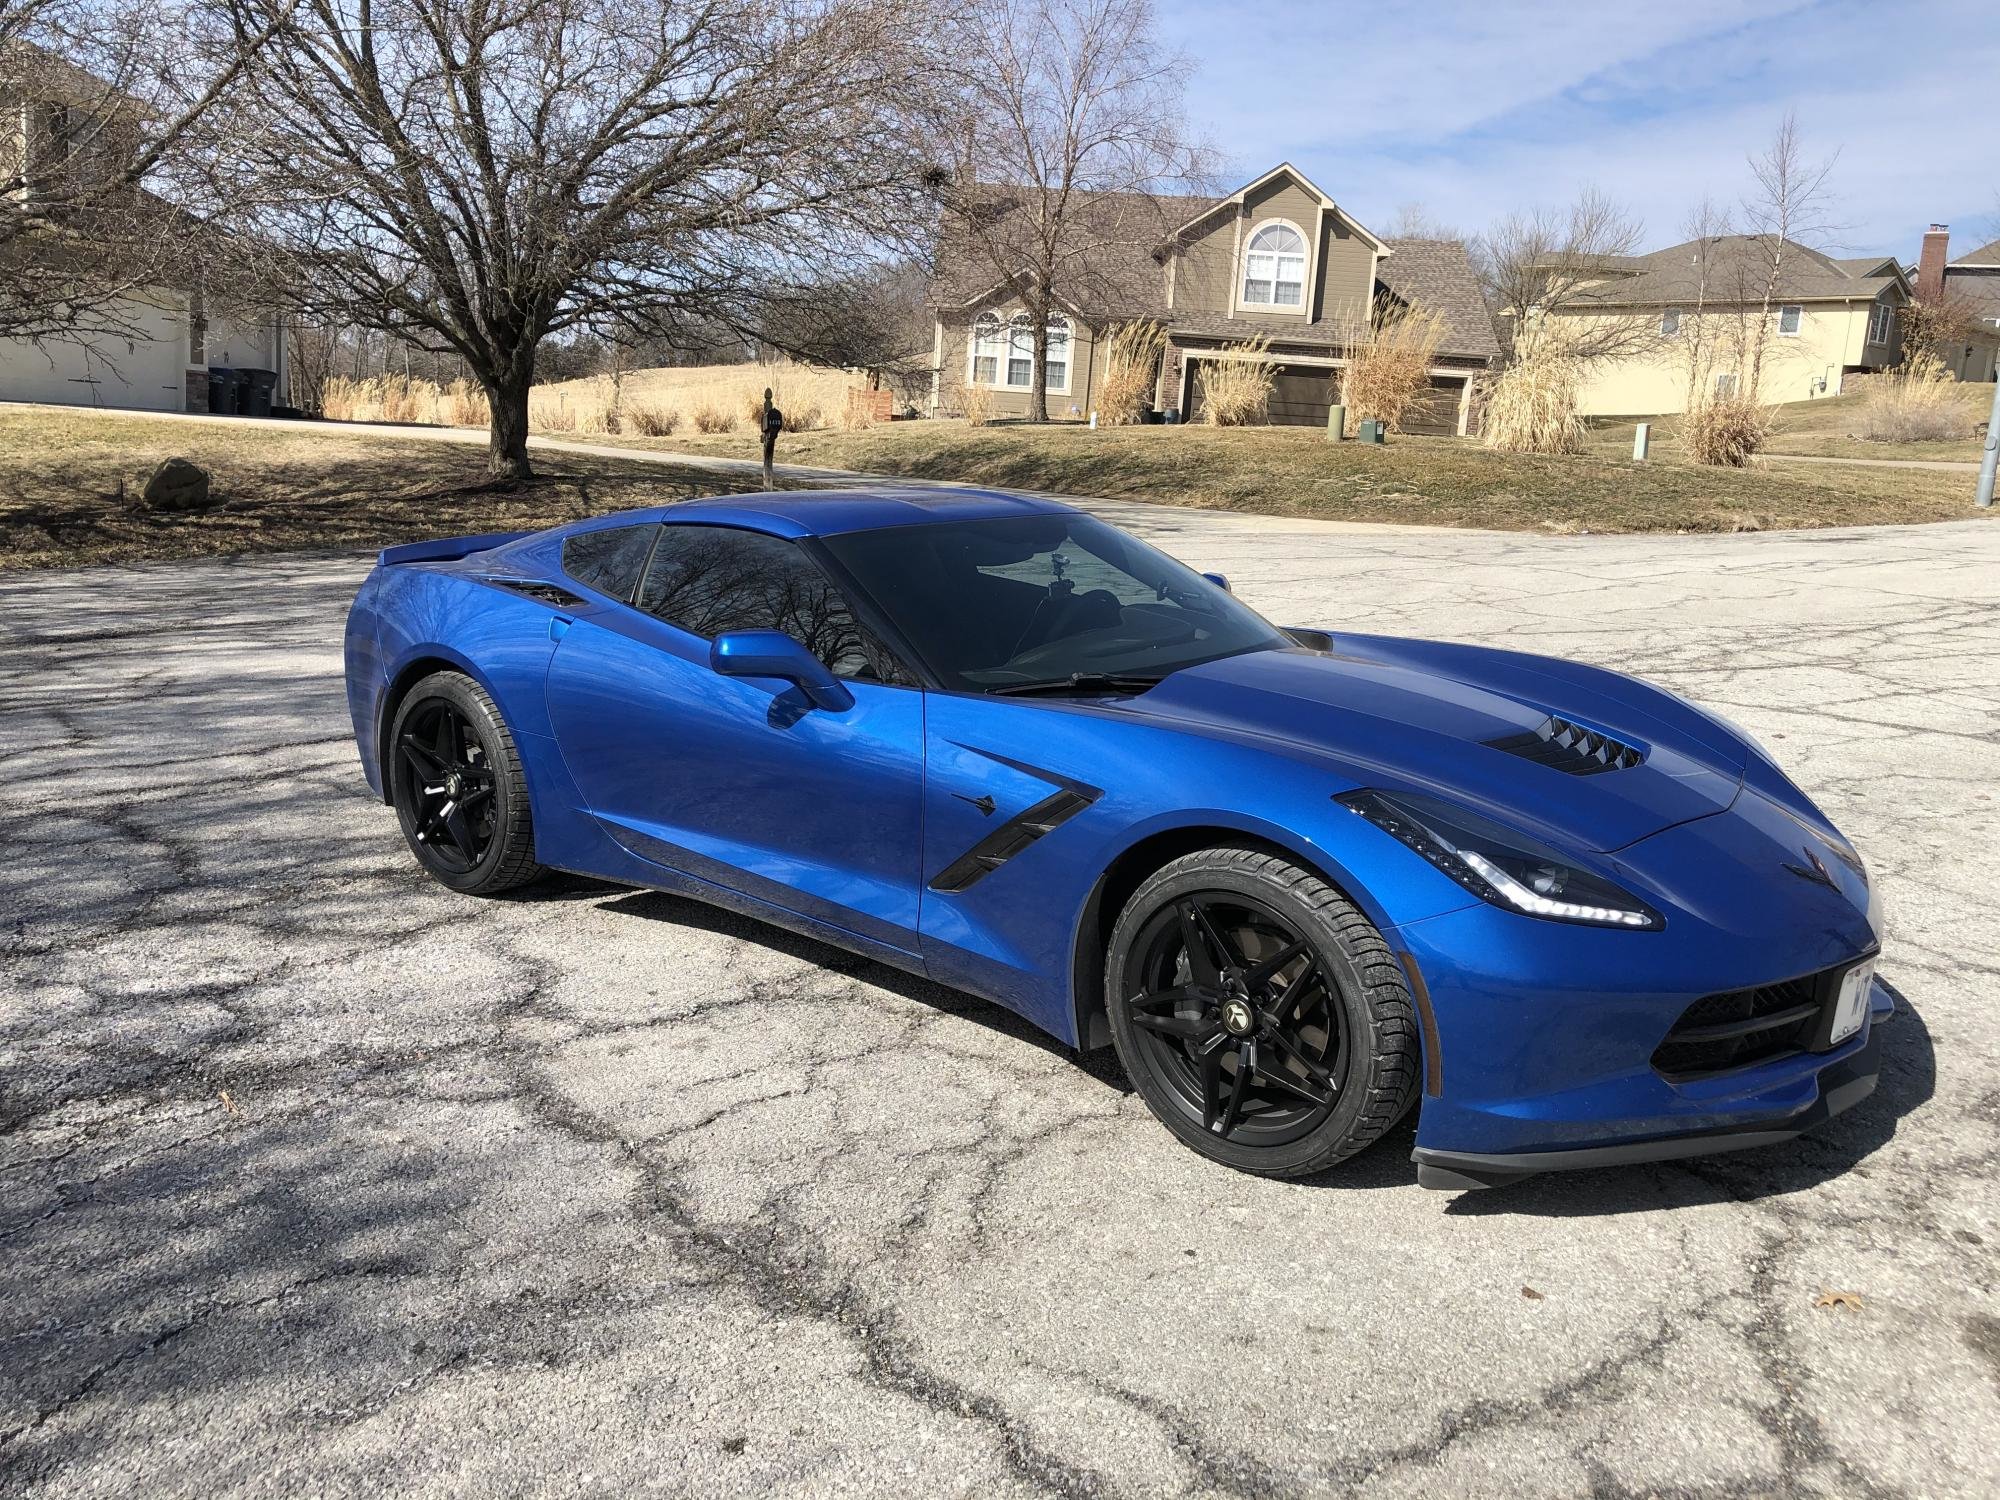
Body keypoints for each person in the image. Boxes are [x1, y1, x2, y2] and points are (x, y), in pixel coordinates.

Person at [760, 387, 784, 487]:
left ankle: (768, 482)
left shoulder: (770, 414)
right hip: (769, 432)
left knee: (768, 457)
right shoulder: (771, 413)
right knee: (768, 457)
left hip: (770, 431)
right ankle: (767, 482)